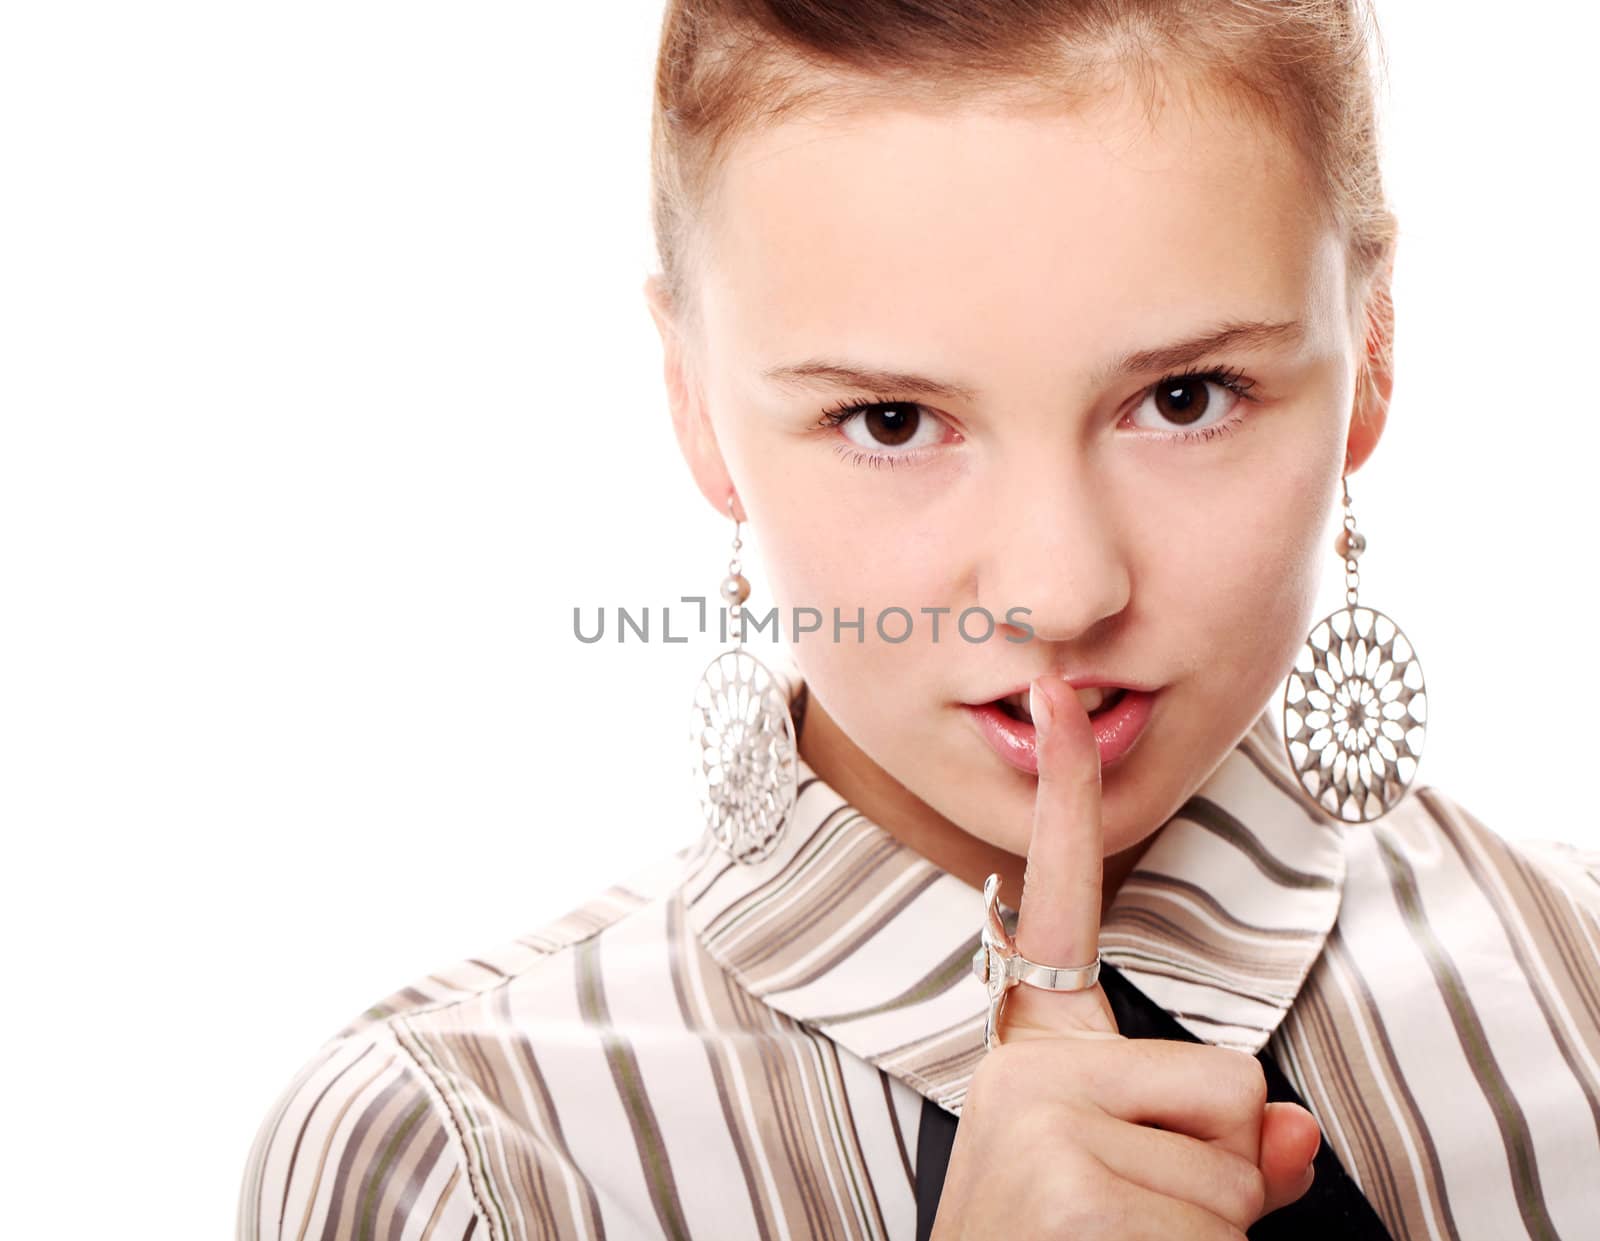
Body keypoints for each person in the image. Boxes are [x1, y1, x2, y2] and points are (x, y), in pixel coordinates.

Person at [237, 1, 1600, 1237]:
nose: (1061, 592)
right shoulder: (457, 1160)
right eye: (892, 421)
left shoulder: (1579, 987)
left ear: (1372, 347)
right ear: (696, 406)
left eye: (1185, 397)